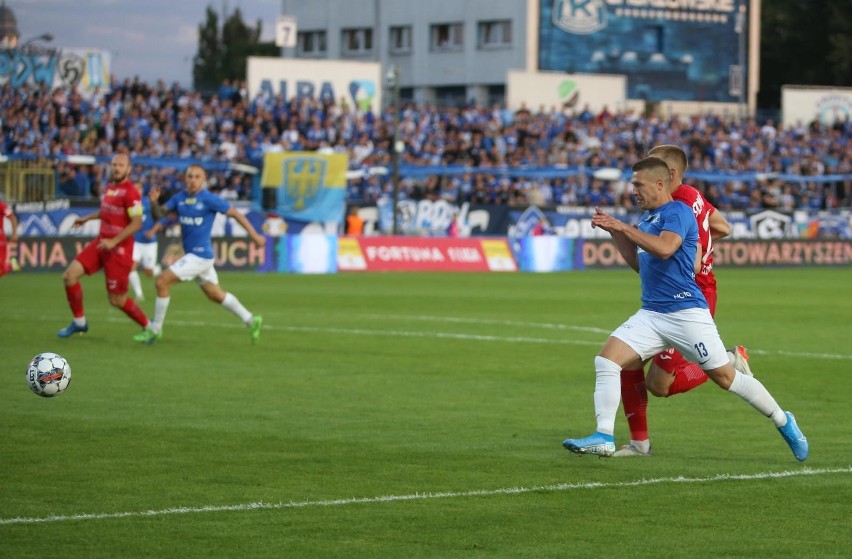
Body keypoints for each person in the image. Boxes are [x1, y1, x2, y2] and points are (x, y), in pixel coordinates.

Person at [562, 156, 808, 461]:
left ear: (660, 183)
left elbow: (665, 249)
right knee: (607, 361)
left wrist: (622, 226)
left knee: (726, 379)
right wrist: (615, 232)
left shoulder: (677, 211)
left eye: (638, 184)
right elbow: (641, 265)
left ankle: (783, 420)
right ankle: (603, 436)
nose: (633, 190)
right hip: (652, 314)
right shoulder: (648, 219)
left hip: (686, 313)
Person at [614, 144, 749, 457]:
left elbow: (692, 259)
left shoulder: (681, 202)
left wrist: (693, 252)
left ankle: (729, 360)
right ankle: (639, 444)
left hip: (688, 295)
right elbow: (723, 226)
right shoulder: (691, 194)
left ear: (669, 174)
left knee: (659, 385)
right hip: (678, 294)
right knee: (628, 361)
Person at [133, 164, 265, 345]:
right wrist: (154, 202)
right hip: (195, 256)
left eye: (197, 177)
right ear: (185, 179)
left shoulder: (209, 199)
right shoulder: (179, 198)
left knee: (161, 281)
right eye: (190, 176)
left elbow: (235, 214)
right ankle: (251, 319)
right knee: (215, 294)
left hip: (200, 256)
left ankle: (155, 330)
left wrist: (255, 235)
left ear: (203, 180)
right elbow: (159, 215)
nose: (193, 180)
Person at [57, 154, 152, 337]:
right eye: (114, 164)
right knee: (70, 276)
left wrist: (114, 241)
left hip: (119, 250)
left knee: (117, 300)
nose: (116, 167)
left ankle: (149, 327)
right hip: (101, 243)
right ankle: (79, 322)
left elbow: (137, 223)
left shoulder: (131, 193)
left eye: (121, 165)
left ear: (128, 169)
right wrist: (87, 218)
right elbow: (106, 211)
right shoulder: (110, 187)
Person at [128, 183, 163, 301]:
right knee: (131, 268)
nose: (137, 190)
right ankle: (139, 294)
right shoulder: (129, 204)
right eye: (135, 188)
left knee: (149, 273)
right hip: (135, 241)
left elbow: (160, 219)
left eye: (139, 188)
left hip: (149, 243)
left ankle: (158, 269)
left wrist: (152, 232)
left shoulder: (149, 202)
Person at [0, 198, 19, 275]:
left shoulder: (1, 205)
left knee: (2, 271)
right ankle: (11, 265)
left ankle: (10, 265)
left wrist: (14, 233)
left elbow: (12, 218)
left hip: (0, 240)